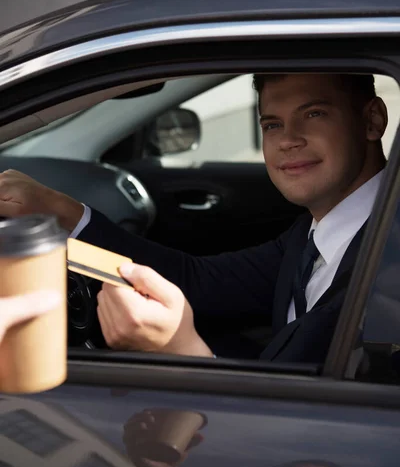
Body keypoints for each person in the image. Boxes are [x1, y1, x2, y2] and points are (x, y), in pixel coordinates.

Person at [0, 73, 388, 363]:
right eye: (272, 124)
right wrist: (61, 211)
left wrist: (179, 350)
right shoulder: (311, 235)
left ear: (372, 121)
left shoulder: (389, 267)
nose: (288, 139)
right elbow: (196, 281)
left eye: (314, 114)